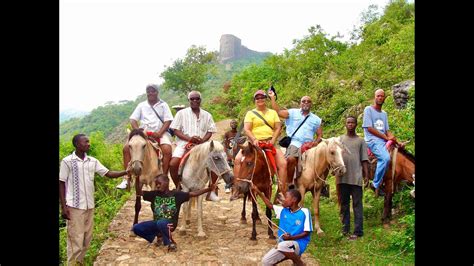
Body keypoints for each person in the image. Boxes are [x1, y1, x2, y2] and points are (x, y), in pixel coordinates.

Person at [59, 134, 128, 265]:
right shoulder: (67, 161)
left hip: (89, 206)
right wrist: (64, 206)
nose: (88, 144)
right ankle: (72, 263)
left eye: (88, 141)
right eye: (86, 142)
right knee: (75, 240)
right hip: (74, 207)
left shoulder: (93, 161)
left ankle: (80, 262)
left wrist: (126, 171)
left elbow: (109, 174)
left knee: (86, 239)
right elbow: (61, 183)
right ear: (77, 145)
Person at [133, 174, 217, 251]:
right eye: (156, 184)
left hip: (170, 224)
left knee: (161, 223)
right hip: (157, 224)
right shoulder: (154, 194)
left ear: (166, 182)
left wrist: (209, 189)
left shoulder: (177, 195)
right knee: (136, 228)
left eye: (159, 183)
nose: (157, 186)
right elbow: (139, 192)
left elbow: (193, 194)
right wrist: (137, 178)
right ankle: (157, 237)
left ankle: (171, 242)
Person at [117, 84, 174, 189]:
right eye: (148, 91)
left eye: (153, 91)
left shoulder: (163, 105)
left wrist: (160, 133)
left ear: (157, 92)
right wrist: (137, 131)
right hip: (143, 133)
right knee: (126, 148)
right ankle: (127, 178)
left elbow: (168, 120)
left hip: (159, 132)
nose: (150, 93)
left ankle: (163, 176)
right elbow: (133, 119)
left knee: (167, 150)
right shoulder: (141, 105)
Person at [233, 89, 288, 194]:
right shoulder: (250, 113)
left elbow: (277, 128)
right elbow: (247, 129)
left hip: (270, 142)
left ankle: (282, 190)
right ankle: (237, 187)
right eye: (257, 98)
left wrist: (273, 140)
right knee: (237, 159)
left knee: (283, 163)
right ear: (254, 100)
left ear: (266, 99)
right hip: (253, 143)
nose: (260, 99)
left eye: (262, 97)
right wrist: (254, 139)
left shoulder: (272, 113)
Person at [169, 91, 217, 193]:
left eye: (197, 98)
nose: (195, 100)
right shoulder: (181, 113)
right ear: (188, 100)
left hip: (202, 145)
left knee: (216, 161)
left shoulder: (207, 115)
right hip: (184, 143)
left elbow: (210, 130)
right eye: (192, 99)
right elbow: (176, 130)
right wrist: (189, 139)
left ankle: (213, 188)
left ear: (200, 100)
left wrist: (203, 141)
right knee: (173, 164)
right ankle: (178, 186)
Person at [252, 185, 313, 266]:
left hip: (298, 244)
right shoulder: (283, 210)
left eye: (286, 197)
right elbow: (270, 205)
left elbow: (307, 233)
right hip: (283, 245)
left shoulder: (304, 212)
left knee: (283, 245)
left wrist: (291, 238)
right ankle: (295, 259)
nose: (282, 200)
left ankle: (300, 264)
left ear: (294, 200)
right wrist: (258, 191)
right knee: (266, 262)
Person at [269, 92, 323, 183]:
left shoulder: (316, 119)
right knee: (291, 159)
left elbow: (320, 135)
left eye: (308, 101)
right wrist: (273, 98)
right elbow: (277, 112)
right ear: (300, 103)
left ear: (311, 104)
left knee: (325, 159)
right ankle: (289, 182)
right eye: (303, 101)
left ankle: (321, 183)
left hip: (309, 144)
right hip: (295, 142)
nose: (306, 103)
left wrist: (316, 142)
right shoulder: (292, 113)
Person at [362, 89, 404, 197]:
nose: (380, 98)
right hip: (372, 140)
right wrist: (386, 137)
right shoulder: (368, 110)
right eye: (378, 96)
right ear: (374, 97)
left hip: (382, 140)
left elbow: (387, 130)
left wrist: (396, 141)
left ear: (384, 98)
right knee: (385, 158)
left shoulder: (384, 114)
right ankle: (375, 184)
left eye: (382, 96)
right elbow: (369, 128)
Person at [337, 116, 369, 240]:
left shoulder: (361, 141)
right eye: (348, 122)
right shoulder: (340, 139)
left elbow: (364, 159)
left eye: (352, 122)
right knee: (344, 204)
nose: (350, 124)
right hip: (342, 177)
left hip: (356, 177)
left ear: (356, 124)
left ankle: (358, 231)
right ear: (345, 124)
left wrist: (366, 176)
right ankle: (345, 229)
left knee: (357, 204)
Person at [223, 119, 238, 193]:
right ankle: (227, 186)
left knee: (236, 171)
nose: (233, 124)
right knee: (228, 171)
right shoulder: (227, 133)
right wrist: (228, 155)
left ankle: (236, 187)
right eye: (232, 123)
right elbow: (225, 145)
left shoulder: (239, 134)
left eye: (235, 123)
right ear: (230, 125)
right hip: (229, 154)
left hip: (237, 155)